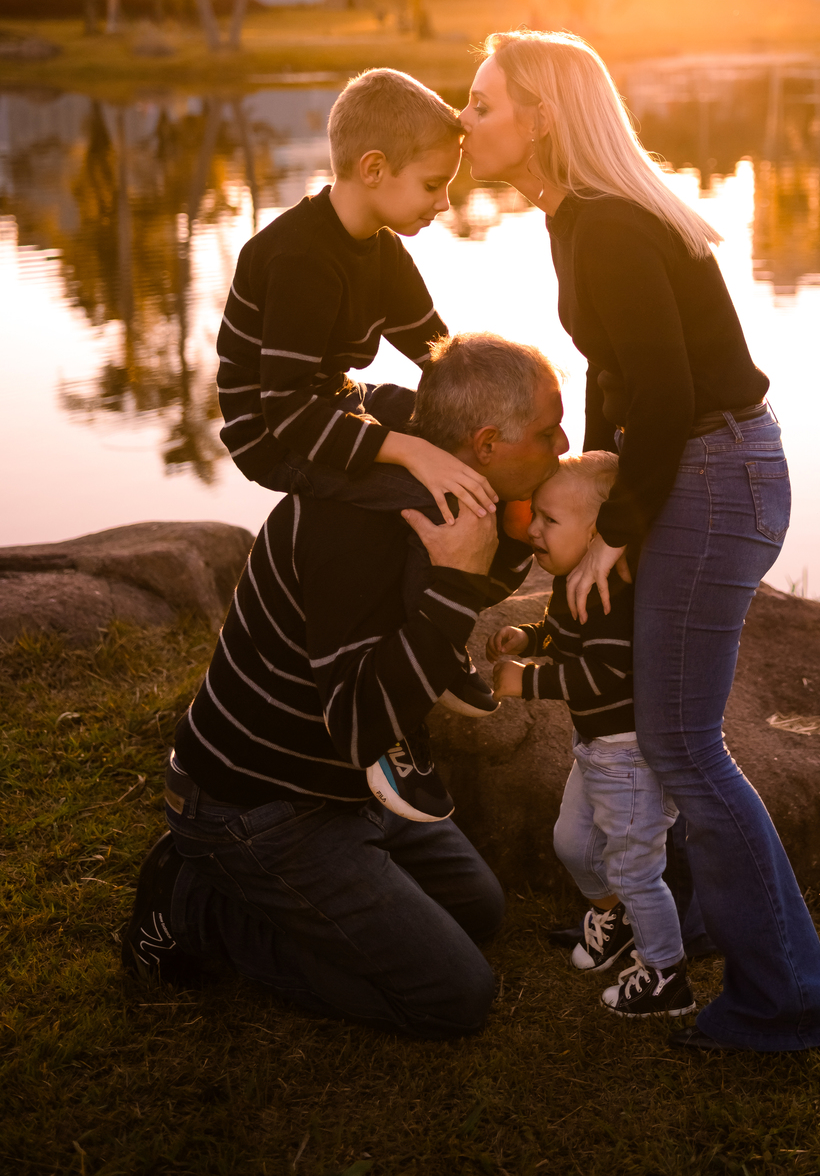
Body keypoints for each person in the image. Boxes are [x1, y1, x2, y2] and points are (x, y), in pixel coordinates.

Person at [460, 30, 820, 1057]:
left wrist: (615, 532)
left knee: (681, 744)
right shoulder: (574, 218)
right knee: (672, 728)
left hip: (714, 474)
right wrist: (588, 496)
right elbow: (617, 378)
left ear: (543, 115)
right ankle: (698, 923)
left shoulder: (613, 228)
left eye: (483, 102)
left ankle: (791, 1003)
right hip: (689, 465)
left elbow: (673, 393)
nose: (467, 120)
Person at [120, 333, 568, 1039]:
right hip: (257, 803)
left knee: (481, 910)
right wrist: (454, 586)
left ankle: (312, 885)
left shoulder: (437, 489)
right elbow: (360, 725)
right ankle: (194, 908)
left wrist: (518, 538)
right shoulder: (356, 523)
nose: (563, 445)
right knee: (452, 996)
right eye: (548, 433)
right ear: (484, 443)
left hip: (344, 790)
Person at [216, 65, 503, 736]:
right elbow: (286, 412)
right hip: (276, 432)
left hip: (336, 403)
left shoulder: (379, 248)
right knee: (418, 497)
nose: (442, 204)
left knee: (444, 440)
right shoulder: (300, 259)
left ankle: (431, 632)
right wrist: (412, 453)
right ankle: (404, 689)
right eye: (433, 186)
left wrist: (491, 418)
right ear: (374, 169)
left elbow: (440, 355)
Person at [488, 453, 695, 1021]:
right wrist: (528, 639)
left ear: (598, 532)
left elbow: (604, 672)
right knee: (573, 845)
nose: (531, 528)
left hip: (628, 756)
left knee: (634, 869)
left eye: (549, 520)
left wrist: (526, 683)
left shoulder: (611, 597)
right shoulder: (569, 582)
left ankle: (665, 974)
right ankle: (616, 923)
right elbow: (564, 640)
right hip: (594, 750)